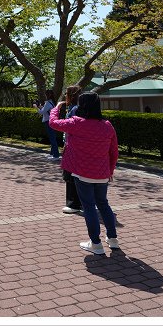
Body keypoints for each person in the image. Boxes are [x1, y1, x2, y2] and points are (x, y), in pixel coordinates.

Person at [49, 92, 120, 255]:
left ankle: (96, 244)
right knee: (103, 204)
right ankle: (113, 239)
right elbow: (114, 152)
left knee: (89, 207)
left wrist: (56, 108)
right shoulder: (107, 125)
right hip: (102, 173)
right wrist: (110, 170)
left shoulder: (76, 123)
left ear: (82, 106)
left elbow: (53, 123)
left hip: (82, 173)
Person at [60, 85, 83, 214]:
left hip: (72, 146)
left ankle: (73, 204)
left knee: (70, 174)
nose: (65, 96)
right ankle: (83, 202)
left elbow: (67, 127)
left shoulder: (74, 109)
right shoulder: (80, 108)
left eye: (67, 94)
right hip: (78, 146)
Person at [37, 90, 60, 159]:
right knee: (52, 137)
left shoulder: (48, 103)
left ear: (47, 95)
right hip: (52, 121)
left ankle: (56, 155)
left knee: (52, 138)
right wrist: (41, 107)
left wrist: (36, 107)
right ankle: (52, 153)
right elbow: (45, 110)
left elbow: (41, 112)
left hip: (48, 122)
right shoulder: (52, 102)